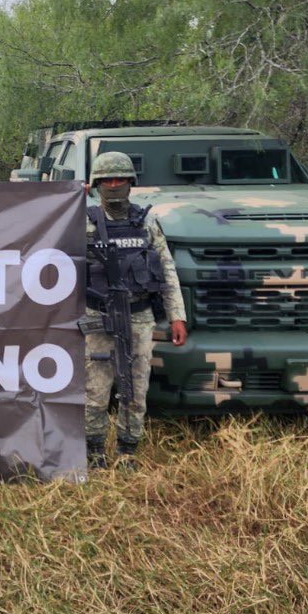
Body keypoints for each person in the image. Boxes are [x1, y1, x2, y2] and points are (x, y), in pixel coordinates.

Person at [83, 151, 187, 470]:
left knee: (135, 388)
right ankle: (94, 452)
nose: (114, 185)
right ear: (96, 184)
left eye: (120, 179)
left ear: (131, 182)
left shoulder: (146, 221)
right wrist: (68, 200)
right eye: (107, 180)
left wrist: (177, 316)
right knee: (95, 390)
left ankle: (127, 452)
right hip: (97, 316)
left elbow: (166, 268)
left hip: (139, 315)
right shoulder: (82, 220)